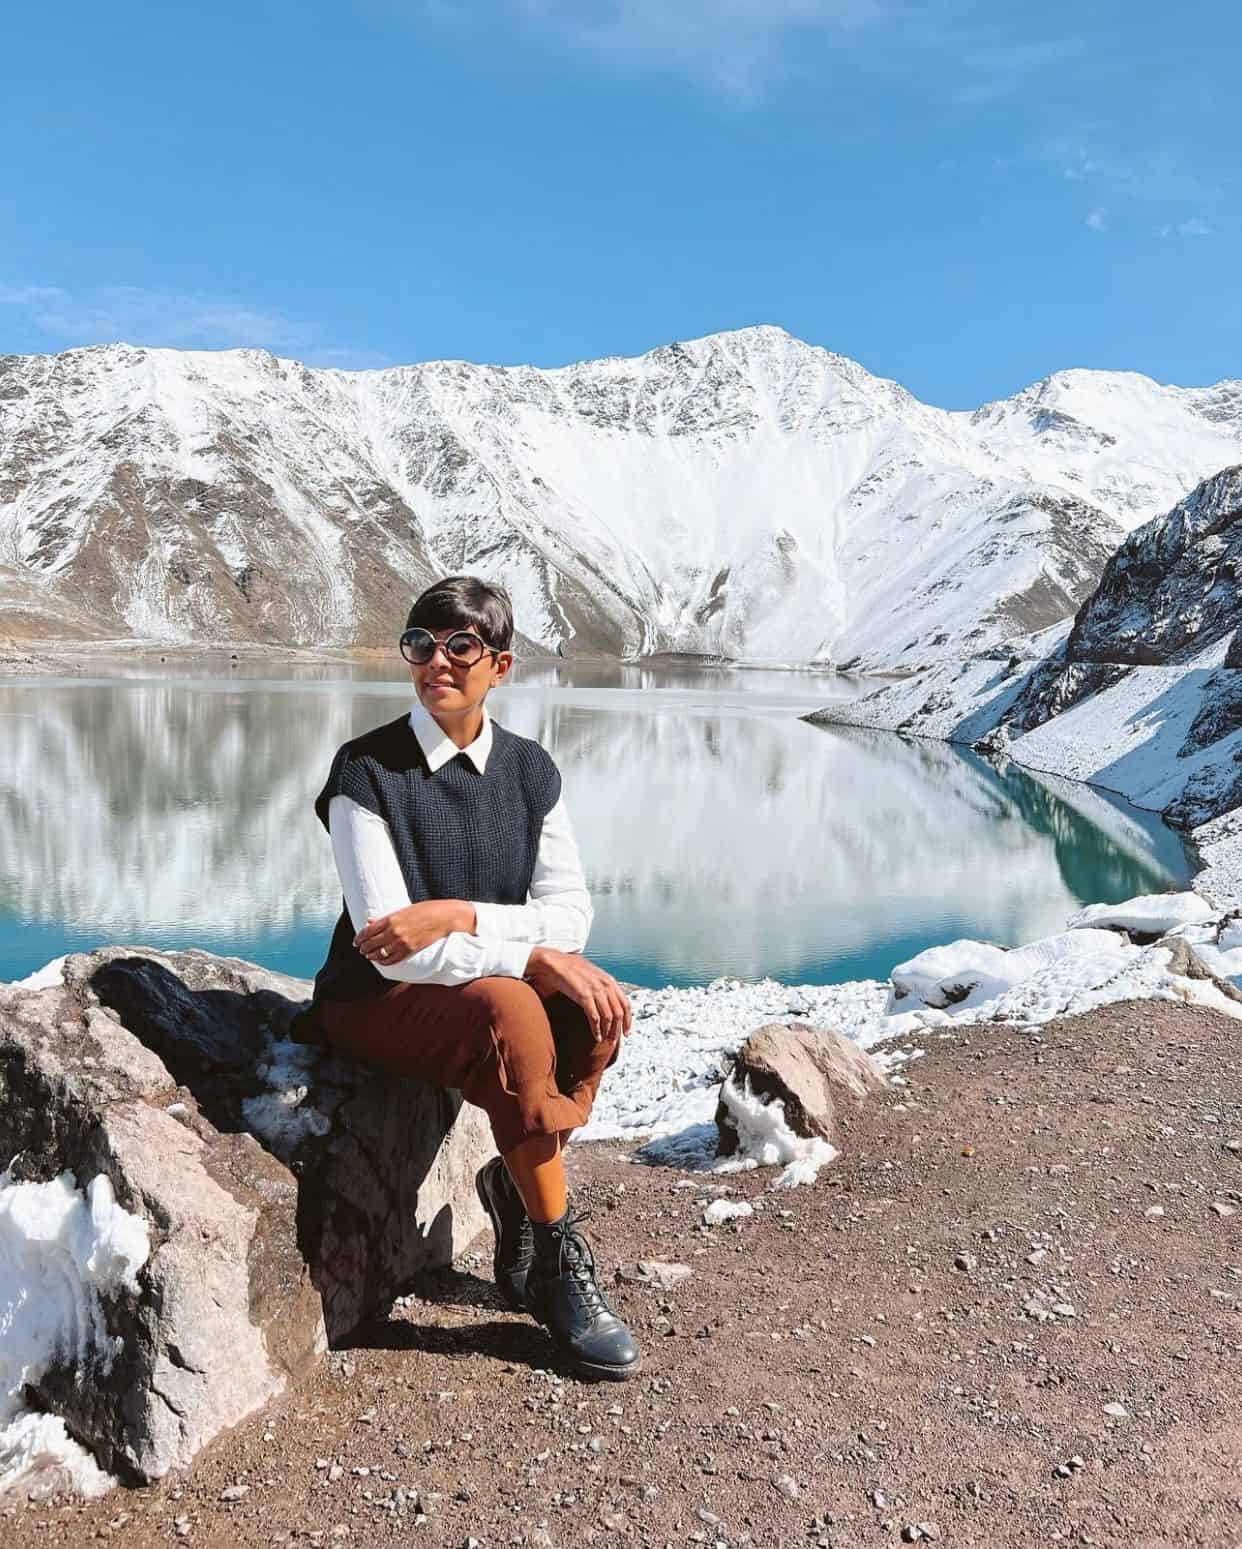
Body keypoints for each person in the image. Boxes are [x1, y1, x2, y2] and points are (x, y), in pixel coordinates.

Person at [303, 575, 641, 1381]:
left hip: (467, 979)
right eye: (420, 645)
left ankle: (514, 1175)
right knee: (513, 1007)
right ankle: (556, 1257)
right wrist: (524, 952)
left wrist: (460, 914)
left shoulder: (529, 772)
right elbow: (395, 949)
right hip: (371, 1001)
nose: (437, 663)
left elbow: (573, 917)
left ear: (502, 665)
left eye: (462, 647)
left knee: (591, 1008)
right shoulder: (364, 773)